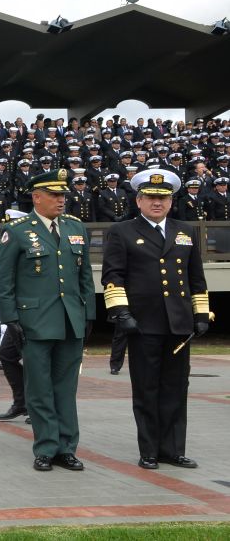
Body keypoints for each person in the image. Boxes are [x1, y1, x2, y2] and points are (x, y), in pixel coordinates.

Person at [101, 169, 209, 470]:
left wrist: (200, 314)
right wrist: (121, 313)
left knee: (176, 388)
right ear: (139, 200)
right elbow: (113, 276)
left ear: (171, 202)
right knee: (147, 389)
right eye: (150, 197)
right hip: (143, 323)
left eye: (162, 198)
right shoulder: (122, 231)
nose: (157, 202)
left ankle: (173, 449)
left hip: (178, 323)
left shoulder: (185, 231)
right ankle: (149, 450)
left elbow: (196, 279)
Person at [0, 169, 95, 472]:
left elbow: (85, 276)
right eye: (54, 195)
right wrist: (10, 318)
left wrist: (88, 313)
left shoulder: (76, 228)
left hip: (70, 320)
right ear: (37, 197)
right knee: (39, 388)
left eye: (63, 195)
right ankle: (46, 447)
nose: (61, 200)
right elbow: (4, 280)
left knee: (66, 388)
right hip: (34, 321)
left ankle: (67, 448)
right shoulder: (18, 230)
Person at [0, 210, 29, 422]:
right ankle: (21, 402)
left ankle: (37, 407)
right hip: (16, 312)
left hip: (31, 311)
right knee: (7, 355)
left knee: (35, 362)